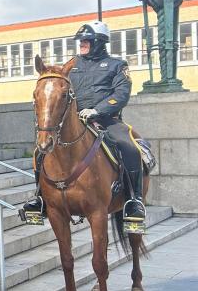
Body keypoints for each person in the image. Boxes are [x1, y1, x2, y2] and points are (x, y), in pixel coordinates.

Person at [20, 21, 145, 223]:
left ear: (99, 42)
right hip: (76, 120)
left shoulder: (117, 65)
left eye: (86, 41)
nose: (82, 44)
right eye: (81, 41)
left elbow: (121, 94)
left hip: (107, 120)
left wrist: (97, 110)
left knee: (129, 147)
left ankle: (134, 201)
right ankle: (40, 199)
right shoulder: (73, 65)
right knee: (39, 151)